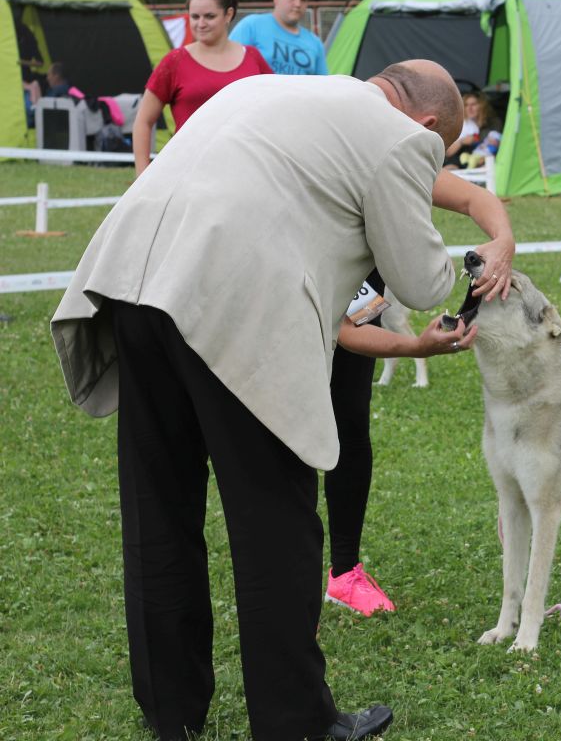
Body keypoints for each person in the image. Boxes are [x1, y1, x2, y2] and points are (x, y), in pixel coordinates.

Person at [50, 60, 475, 741]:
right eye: (439, 154)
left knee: (159, 508)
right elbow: (422, 282)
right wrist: (466, 261)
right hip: (226, 296)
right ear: (429, 125)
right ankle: (297, 724)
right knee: (277, 521)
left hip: (129, 282)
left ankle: (172, 712)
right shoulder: (402, 136)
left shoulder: (267, 87)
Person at [323, 170, 514, 618]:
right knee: (283, 446)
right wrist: (416, 347)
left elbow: (473, 197)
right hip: (292, 301)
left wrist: (502, 239)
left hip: (355, 300)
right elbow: (346, 332)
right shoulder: (358, 161)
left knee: (351, 428)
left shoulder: (403, 161)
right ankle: (280, 580)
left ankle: (344, 573)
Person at [132, 0, 273, 176]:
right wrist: (142, 174)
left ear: (228, 14)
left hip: (246, 172)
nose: (201, 24)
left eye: (209, 16)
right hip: (187, 175)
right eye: (195, 16)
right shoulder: (174, 61)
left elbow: (275, 112)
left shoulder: (253, 58)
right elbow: (143, 121)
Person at [230, 0, 328, 76]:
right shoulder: (251, 26)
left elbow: (323, 87)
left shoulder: (315, 43)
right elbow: (228, 66)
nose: (298, 4)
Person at [443, 92, 498, 168]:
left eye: (473, 104)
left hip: (482, 160)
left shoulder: (493, 124)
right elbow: (448, 153)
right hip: (459, 159)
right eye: (466, 105)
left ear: (482, 106)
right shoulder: (461, 124)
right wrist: (461, 142)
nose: (469, 108)